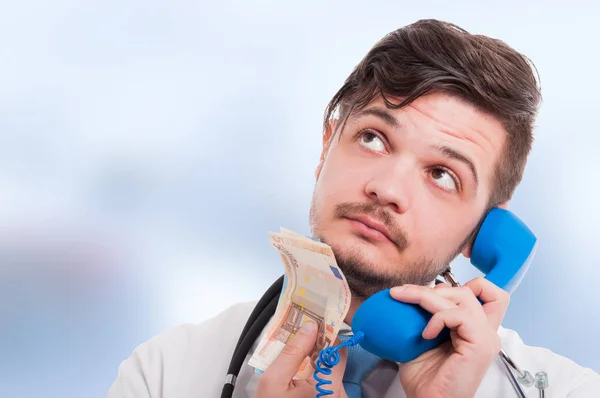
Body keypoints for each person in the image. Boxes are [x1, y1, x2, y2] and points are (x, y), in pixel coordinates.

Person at [108, 19, 600, 397]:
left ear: (486, 226)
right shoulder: (163, 372)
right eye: (373, 138)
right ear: (327, 145)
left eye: (442, 175)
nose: (387, 189)